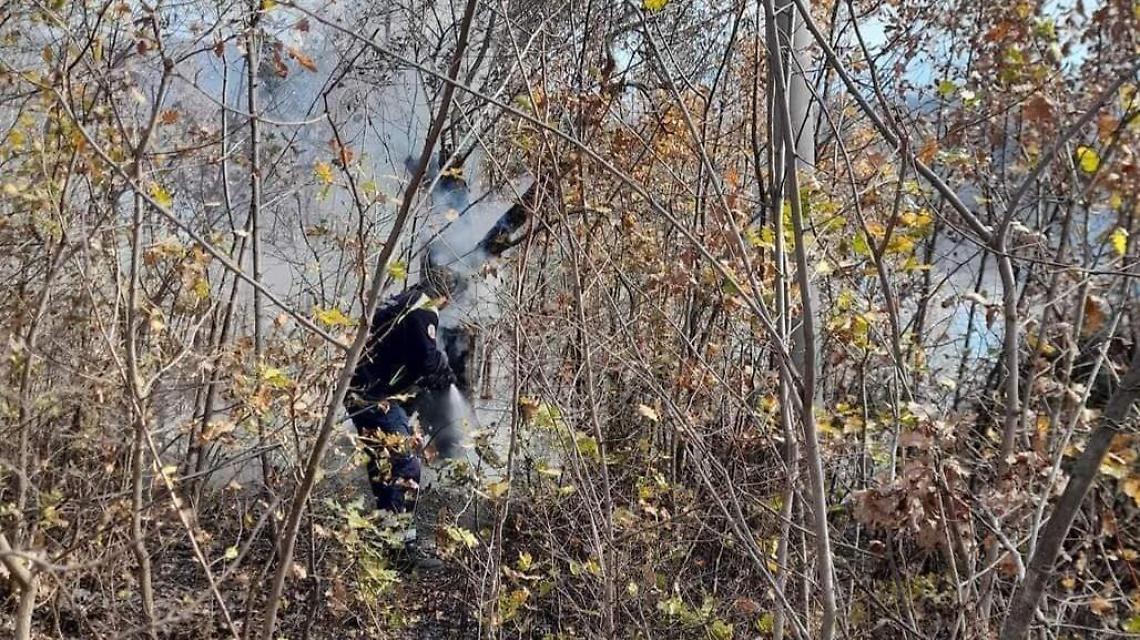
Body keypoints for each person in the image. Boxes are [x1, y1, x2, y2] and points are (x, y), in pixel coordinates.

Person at [345, 275, 457, 570]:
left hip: (360, 393)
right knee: (406, 468)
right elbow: (426, 360)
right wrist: (441, 370)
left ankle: (387, 545)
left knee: (384, 468)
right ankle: (400, 552)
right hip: (376, 398)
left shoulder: (403, 300)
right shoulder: (424, 308)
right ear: (445, 295)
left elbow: (401, 351)